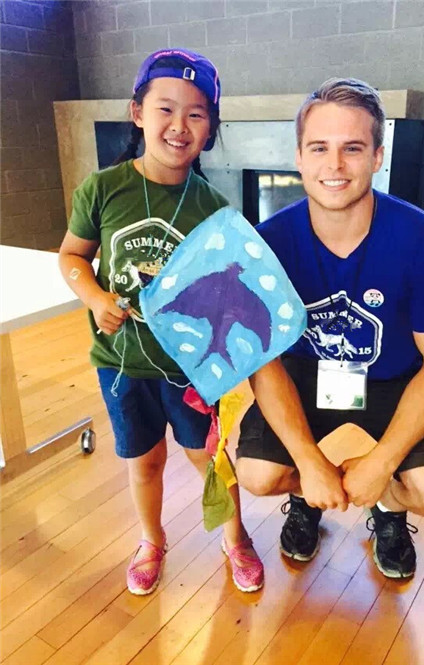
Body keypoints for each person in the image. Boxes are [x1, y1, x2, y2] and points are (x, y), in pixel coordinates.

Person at [235, 78, 424, 579]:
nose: (335, 165)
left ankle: (387, 505)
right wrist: (310, 463)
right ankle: (309, 495)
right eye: (319, 147)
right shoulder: (265, 245)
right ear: (299, 157)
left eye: (353, 148)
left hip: (396, 377)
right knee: (257, 475)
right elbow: (264, 361)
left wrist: (381, 464)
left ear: (377, 156)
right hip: (305, 374)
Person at [59, 48, 263, 595]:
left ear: (210, 129)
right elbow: (72, 255)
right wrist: (95, 296)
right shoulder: (102, 189)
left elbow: (229, 293)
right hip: (121, 364)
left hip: (190, 370)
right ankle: (151, 539)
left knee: (210, 459)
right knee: (144, 461)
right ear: (138, 113)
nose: (179, 126)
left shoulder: (214, 208)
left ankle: (236, 537)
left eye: (196, 114)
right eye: (165, 109)